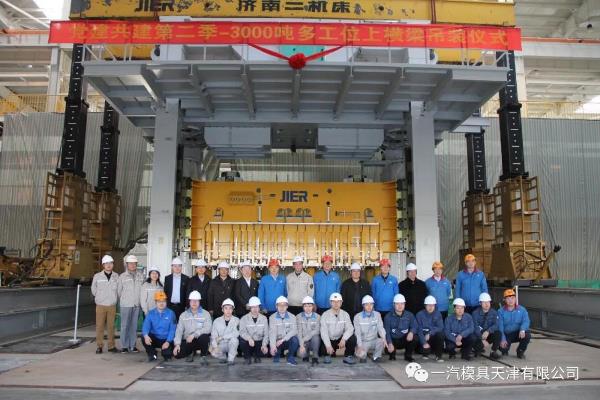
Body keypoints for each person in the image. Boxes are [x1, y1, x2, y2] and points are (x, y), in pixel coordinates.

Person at [173, 291, 212, 365]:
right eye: (192, 300)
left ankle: (203, 355)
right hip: (188, 341)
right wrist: (177, 344)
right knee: (177, 354)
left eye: (196, 300)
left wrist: (194, 335)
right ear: (189, 301)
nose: (194, 302)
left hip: (199, 340)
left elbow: (208, 328)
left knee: (204, 337)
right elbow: (179, 330)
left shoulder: (206, 314)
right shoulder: (183, 315)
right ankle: (191, 352)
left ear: (199, 301)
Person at [91, 255, 120, 354]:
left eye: (110, 263)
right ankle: (99, 346)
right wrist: (100, 297)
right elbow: (93, 289)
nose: (108, 265)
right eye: (106, 263)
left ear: (113, 265)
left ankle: (111, 346)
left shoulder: (116, 276)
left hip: (112, 305)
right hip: (100, 305)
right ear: (103, 265)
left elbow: (119, 290)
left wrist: (114, 298)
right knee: (100, 326)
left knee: (111, 327)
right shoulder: (97, 276)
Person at [320, 292, 356, 365]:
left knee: (352, 338)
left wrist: (344, 339)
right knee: (323, 348)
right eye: (333, 301)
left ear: (341, 302)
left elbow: (350, 328)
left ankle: (348, 356)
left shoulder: (345, 314)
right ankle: (327, 355)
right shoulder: (325, 315)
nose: (336, 304)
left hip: (340, 339)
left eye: (338, 301)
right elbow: (323, 332)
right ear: (330, 303)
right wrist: (328, 345)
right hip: (330, 339)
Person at [117, 255, 144, 353]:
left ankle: (132, 345)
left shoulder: (141, 276)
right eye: (130, 263)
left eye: (134, 263)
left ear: (136, 264)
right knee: (125, 326)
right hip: (126, 305)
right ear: (127, 265)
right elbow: (119, 292)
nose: (132, 265)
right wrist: (126, 299)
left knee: (134, 326)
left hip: (136, 305)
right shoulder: (122, 277)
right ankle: (124, 346)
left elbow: (142, 290)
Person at [141, 291, 176, 362]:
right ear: (155, 302)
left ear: (166, 302)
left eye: (163, 301)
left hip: (166, 339)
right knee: (143, 336)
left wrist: (168, 341)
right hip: (155, 339)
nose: (161, 303)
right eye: (159, 301)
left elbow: (172, 330)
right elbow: (145, 326)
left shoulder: (171, 313)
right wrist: (146, 336)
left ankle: (167, 354)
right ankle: (153, 354)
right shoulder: (150, 313)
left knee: (167, 356)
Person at [498, 288, 531, 359]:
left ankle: (520, 351)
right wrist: (502, 339)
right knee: (503, 348)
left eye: (512, 298)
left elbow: (526, 321)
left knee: (527, 334)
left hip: (518, 333)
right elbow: (500, 327)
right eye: (508, 298)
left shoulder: (522, 310)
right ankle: (504, 350)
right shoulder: (500, 311)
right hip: (507, 335)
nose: (510, 300)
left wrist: (522, 329)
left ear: (515, 299)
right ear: (504, 300)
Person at [384, 294, 417, 362]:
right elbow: (387, 332)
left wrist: (411, 332)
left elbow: (415, 326)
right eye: (397, 304)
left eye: (402, 304)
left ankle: (408, 355)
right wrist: (389, 343)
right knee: (387, 349)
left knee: (415, 337)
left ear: (404, 304)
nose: (400, 306)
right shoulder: (388, 317)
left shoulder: (409, 315)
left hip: (404, 339)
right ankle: (392, 355)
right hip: (393, 340)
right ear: (393, 304)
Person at [353, 295, 386, 363]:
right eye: (366, 304)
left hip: (374, 340)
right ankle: (362, 354)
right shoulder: (357, 317)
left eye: (371, 304)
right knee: (361, 356)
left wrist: (384, 337)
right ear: (363, 305)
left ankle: (376, 356)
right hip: (363, 342)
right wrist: (359, 345)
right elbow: (357, 333)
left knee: (382, 341)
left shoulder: (377, 315)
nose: (369, 306)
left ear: (373, 305)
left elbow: (380, 328)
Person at [269, 296, 299, 365]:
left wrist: (283, 340)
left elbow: (294, 330)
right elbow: (272, 333)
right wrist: (273, 346)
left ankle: (290, 356)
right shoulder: (272, 317)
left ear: (287, 306)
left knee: (295, 340)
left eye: (284, 305)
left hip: (286, 340)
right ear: (276, 306)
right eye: (279, 305)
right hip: (277, 341)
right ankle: (277, 355)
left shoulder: (292, 316)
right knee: (275, 358)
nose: (282, 307)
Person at [239, 296, 269, 364]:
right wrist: (249, 338)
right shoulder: (244, 318)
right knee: (242, 340)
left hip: (259, 343)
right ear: (250, 308)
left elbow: (266, 334)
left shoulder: (264, 318)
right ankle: (247, 357)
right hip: (249, 343)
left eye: (257, 307)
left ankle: (257, 356)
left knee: (266, 353)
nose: (255, 309)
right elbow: (242, 332)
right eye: (253, 307)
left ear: (259, 307)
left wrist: (264, 345)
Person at [210, 298, 239, 365]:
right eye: (226, 308)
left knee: (234, 340)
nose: (228, 310)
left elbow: (236, 333)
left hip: (231, 344)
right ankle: (223, 357)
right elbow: (213, 336)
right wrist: (215, 347)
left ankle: (230, 359)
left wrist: (222, 337)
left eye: (230, 308)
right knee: (213, 352)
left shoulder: (237, 320)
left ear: (233, 309)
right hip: (221, 344)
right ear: (222, 309)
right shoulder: (216, 321)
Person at [415, 295, 445, 362]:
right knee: (416, 337)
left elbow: (440, 327)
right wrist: (424, 342)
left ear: (435, 306)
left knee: (441, 334)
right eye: (429, 305)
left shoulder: (438, 314)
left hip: (432, 336)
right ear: (425, 305)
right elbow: (418, 329)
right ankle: (425, 353)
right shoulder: (419, 314)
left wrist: (430, 333)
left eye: (432, 305)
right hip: (423, 337)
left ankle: (438, 356)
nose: (431, 307)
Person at [472, 292, 501, 359]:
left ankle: (493, 351)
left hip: (488, 334)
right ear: (480, 303)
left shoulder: (494, 312)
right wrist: (481, 339)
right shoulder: (475, 313)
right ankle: (477, 349)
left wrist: (488, 331)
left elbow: (496, 324)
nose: (486, 304)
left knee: (498, 333)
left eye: (488, 302)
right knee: (476, 344)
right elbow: (475, 327)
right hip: (479, 336)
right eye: (484, 302)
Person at [296, 296, 321, 366]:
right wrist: (301, 344)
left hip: (313, 341)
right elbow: (299, 332)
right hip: (304, 342)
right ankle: (306, 354)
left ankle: (315, 357)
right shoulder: (298, 317)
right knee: (300, 354)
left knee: (316, 337)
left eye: (310, 306)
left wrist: (304, 339)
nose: (308, 308)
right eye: (305, 306)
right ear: (303, 307)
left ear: (313, 306)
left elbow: (317, 330)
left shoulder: (318, 317)